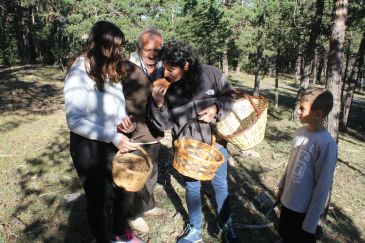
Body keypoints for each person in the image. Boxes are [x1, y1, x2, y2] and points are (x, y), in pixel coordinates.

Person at [148, 41, 241, 243]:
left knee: (220, 185)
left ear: (187, 64)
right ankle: (195, 229)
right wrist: (157, 103)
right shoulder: (166, 87)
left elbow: (230, 95)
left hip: (215, 145)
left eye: (170, 68)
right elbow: (164, 124)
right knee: (192, 187)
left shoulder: (211, 74)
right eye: (164, 67)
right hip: (187, 148)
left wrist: (217, 108)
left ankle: (226, 225)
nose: (165, 72)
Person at [64, 21, 144, 243]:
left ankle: (120, 232)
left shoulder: (110, 69)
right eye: (115, 46)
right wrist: (113, 136)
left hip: (113, 139)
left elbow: (115, 107)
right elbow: (75, 120)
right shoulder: (80, 72)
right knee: (99, 198)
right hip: (87, 146)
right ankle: (102, 239)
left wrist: (123, 124)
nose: (119, 52)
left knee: (124, 188)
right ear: (100, 45)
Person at [120, 26, 167, 233]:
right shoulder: (124, 68)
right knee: (132, 174)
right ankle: (132, 214)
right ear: (137, 46)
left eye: (157, 50)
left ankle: (147, 206)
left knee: (151, 173)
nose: (152, 54)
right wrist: (119, 122)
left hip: (154, 133)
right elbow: (112, 99)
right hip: (131, 133)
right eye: (147, 49)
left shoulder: (163, 70)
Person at [276, 88, 338, 243]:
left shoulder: (326, 144)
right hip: (289, 200)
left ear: (318, 114)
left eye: (302, 108)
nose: (298, 111)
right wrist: (282, 187)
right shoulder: (299, 132)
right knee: (284, 233)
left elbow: (322, 186)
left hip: (304, 210)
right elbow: (291, 164)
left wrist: (311, 222)